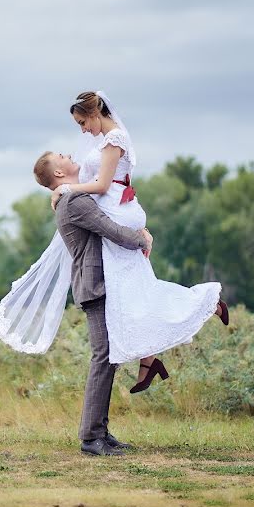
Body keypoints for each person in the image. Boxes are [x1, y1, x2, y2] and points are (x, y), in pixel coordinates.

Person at [42, 90, 228, 392]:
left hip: (116, 208)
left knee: (136, 292)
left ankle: (206, 303)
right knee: (134, 293)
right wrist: (63, 188)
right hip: (117, 208)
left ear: (93, 114)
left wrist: (66, 190)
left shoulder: (114, 139)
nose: (82, 130)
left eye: (82, 122)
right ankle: (148, 360)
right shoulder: (104, 140)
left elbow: (102, 185)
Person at [45, 153, 153, 455]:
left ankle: (100, 432)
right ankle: (92, 438)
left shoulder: (72, 198)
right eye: (62, 156)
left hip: (105, 284)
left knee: (109, 357)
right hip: (96, 286)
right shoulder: (75, 203)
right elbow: (111, 230)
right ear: (57, 170)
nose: (69, 154)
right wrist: (141, 238)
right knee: (103, 357)